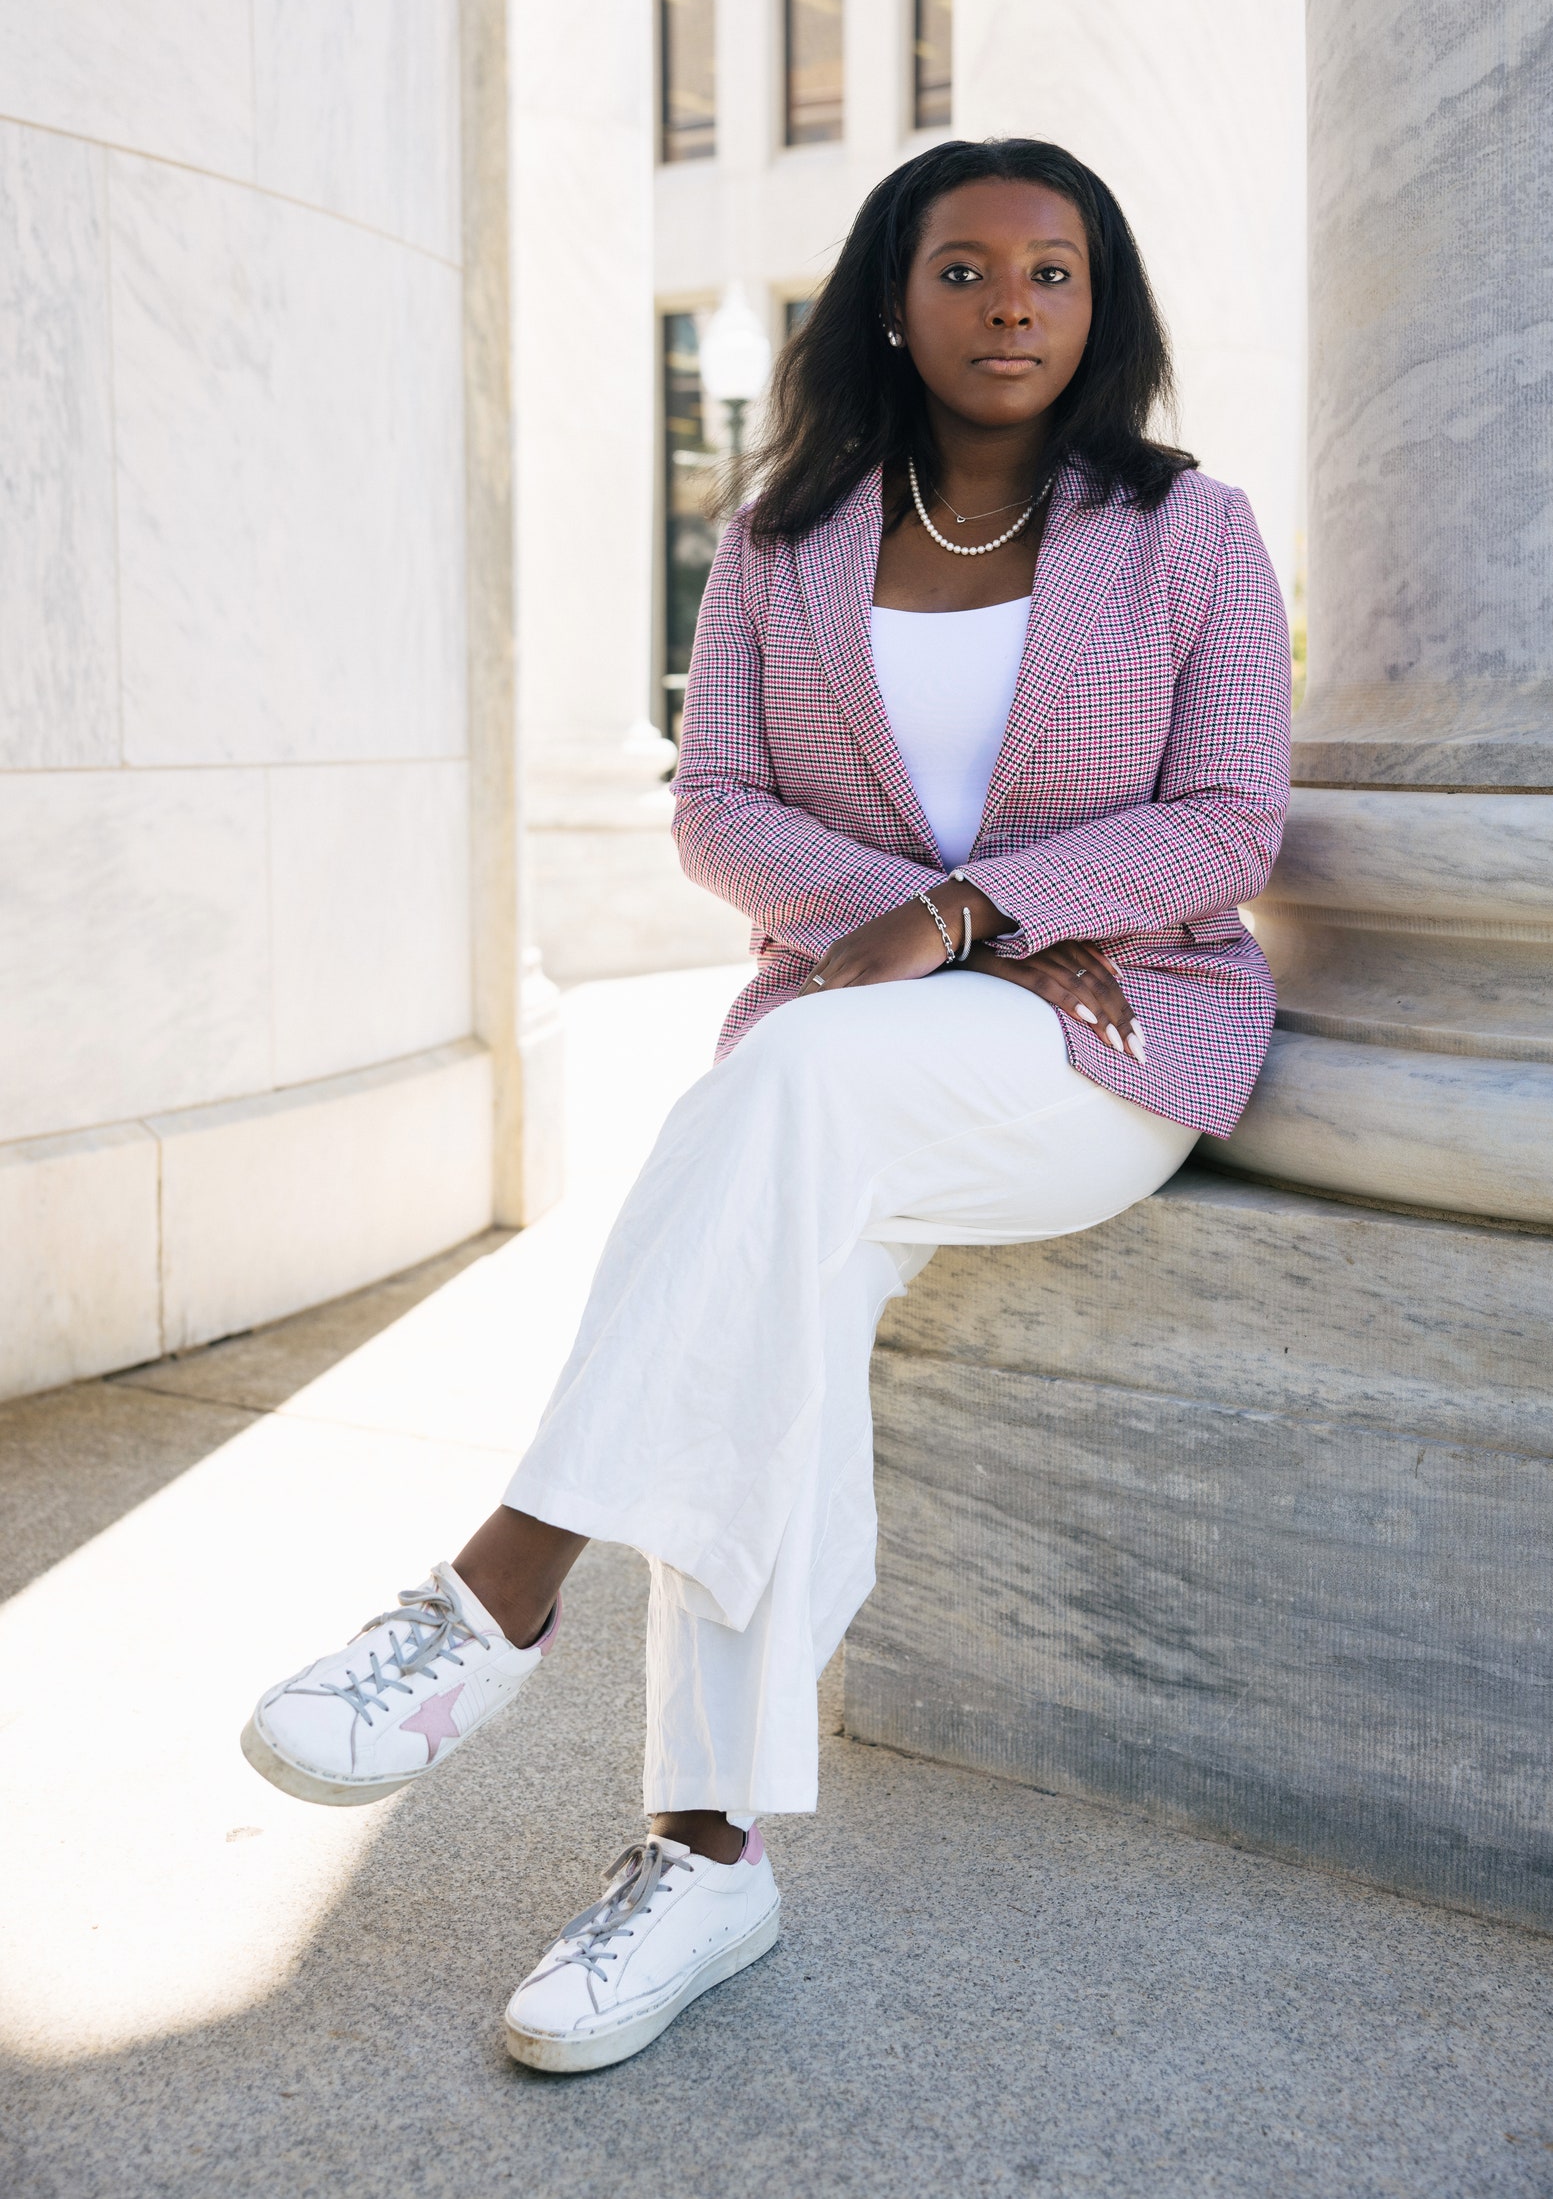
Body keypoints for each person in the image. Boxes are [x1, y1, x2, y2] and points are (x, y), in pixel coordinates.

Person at [243, 137, 1291, 2075]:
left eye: (1048, 274)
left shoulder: (1189, 531)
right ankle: (702, 1853)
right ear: (890, 297)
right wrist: (892, 934)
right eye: (963, 270)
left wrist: (972, 919)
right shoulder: (778, 537)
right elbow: (711, 803)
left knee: (782, 1095)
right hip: (848, 1048)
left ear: (1098, 304)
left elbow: (1227, 818)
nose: (1007, 307)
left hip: (1106, 1037)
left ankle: (499, 1587)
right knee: (775, 1276)